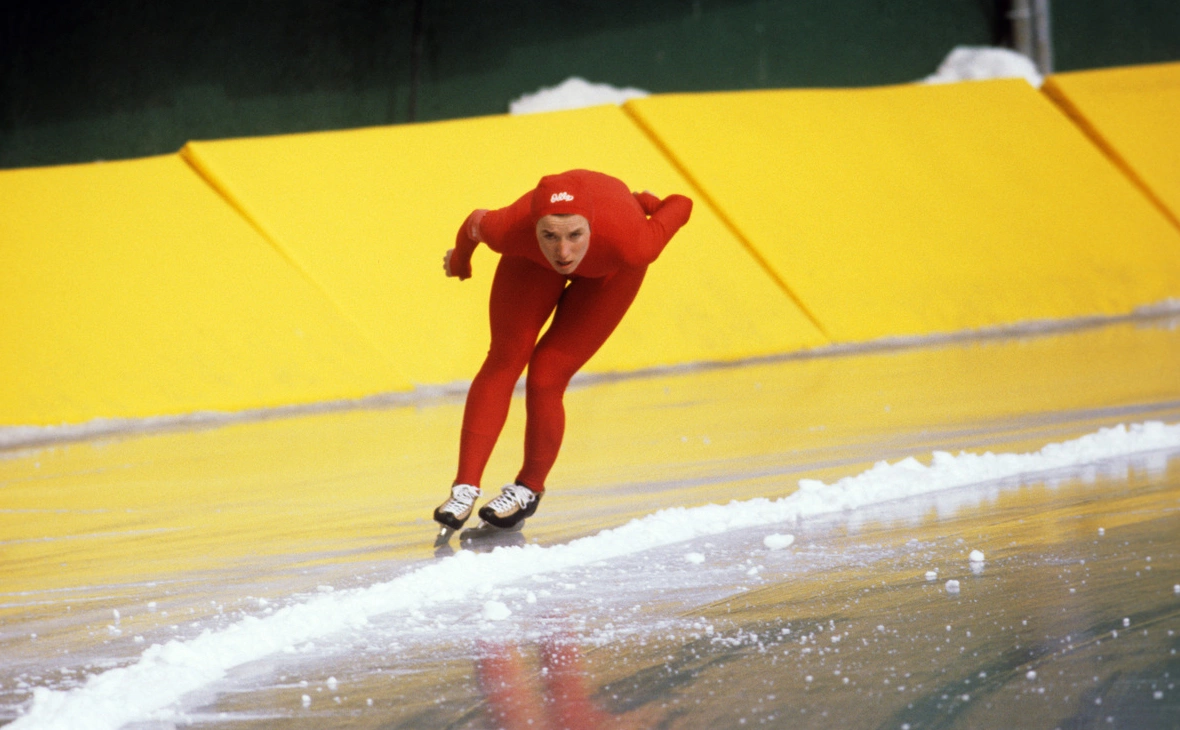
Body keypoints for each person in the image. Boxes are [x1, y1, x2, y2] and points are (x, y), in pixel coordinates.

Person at [433, 169, 693, 531]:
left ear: (590, 225)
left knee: (546, 377)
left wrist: (645, 203)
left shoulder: (634, 241)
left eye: (575, 235)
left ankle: (528, 488)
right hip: (530, 263)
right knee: (504, 359)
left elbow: (681, 204)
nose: (564, 251)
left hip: (610, 271)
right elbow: (472, 223)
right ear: (534, 226)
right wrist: (461, 261)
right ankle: (464, 488)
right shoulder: (509, 228)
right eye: (550, 236)